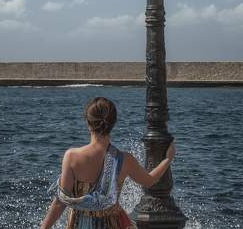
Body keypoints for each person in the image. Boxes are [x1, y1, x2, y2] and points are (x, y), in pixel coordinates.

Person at [40, 97, 176, 229]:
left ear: (88, 122)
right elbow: (149, 181)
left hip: (79, 223)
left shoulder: (72, 157)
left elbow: (60, 202)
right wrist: (167, 159)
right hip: (112, 223)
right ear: (113, 123)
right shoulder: (124, 159)